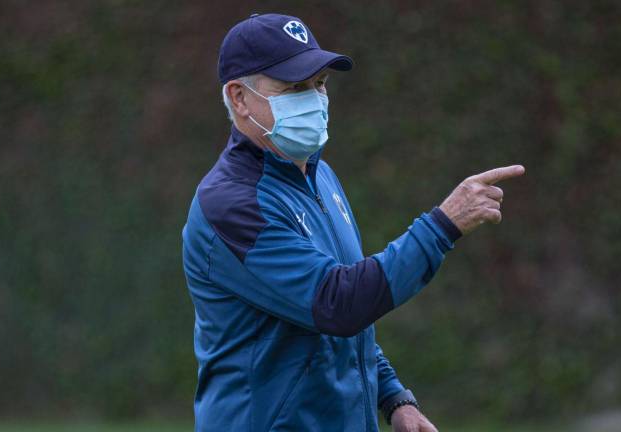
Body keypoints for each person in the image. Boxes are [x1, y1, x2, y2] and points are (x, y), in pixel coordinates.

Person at [181, 13, 525, 432]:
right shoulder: (232, 204)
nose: (314, 99)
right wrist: (442, 226)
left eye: (320, 84)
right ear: (239, 97)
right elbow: (337, 303)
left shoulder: (319, 176)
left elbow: (348, 318)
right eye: (293, 88)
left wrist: (394, 398)